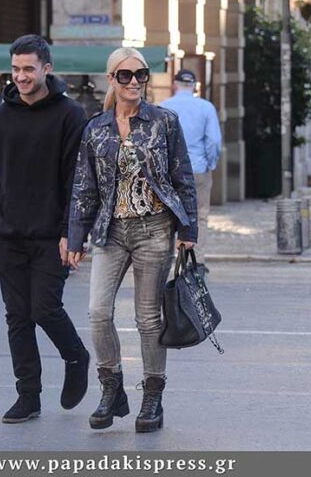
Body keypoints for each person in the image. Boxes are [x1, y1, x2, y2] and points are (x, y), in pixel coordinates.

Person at [67, 47, 198, 433]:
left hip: (154, 229)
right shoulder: (95, 128)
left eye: (140, 74)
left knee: (147, 318)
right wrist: (75, 238)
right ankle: (112, 389)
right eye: (125, 75)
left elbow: (182, 176)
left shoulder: (163, 122)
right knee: (97, 312)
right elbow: (84, 187)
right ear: (112, 79)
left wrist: (188, 232)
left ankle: (152, 398)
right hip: (110, 231)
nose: (134, 82)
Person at [0, 34, 90, 423]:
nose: (20, 76)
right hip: (8, 235)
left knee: (44, 308)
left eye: (28, 69)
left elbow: (77, 180)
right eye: (15, 69)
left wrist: (72, 231)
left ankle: (76, 356)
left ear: (46, 69)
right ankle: (28, 396)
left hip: (52, 235)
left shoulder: (70, 115)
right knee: (17, 316)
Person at [159, 69, 221, 270]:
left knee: (168, 215)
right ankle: (197, 261)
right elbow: (214, 141)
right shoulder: (206, 108)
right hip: (197, 168)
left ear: (175, 84)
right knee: (200, 215)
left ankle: (168, 258)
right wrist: (210, 163)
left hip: (169, 170)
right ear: (194, 86)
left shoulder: (163, 107)